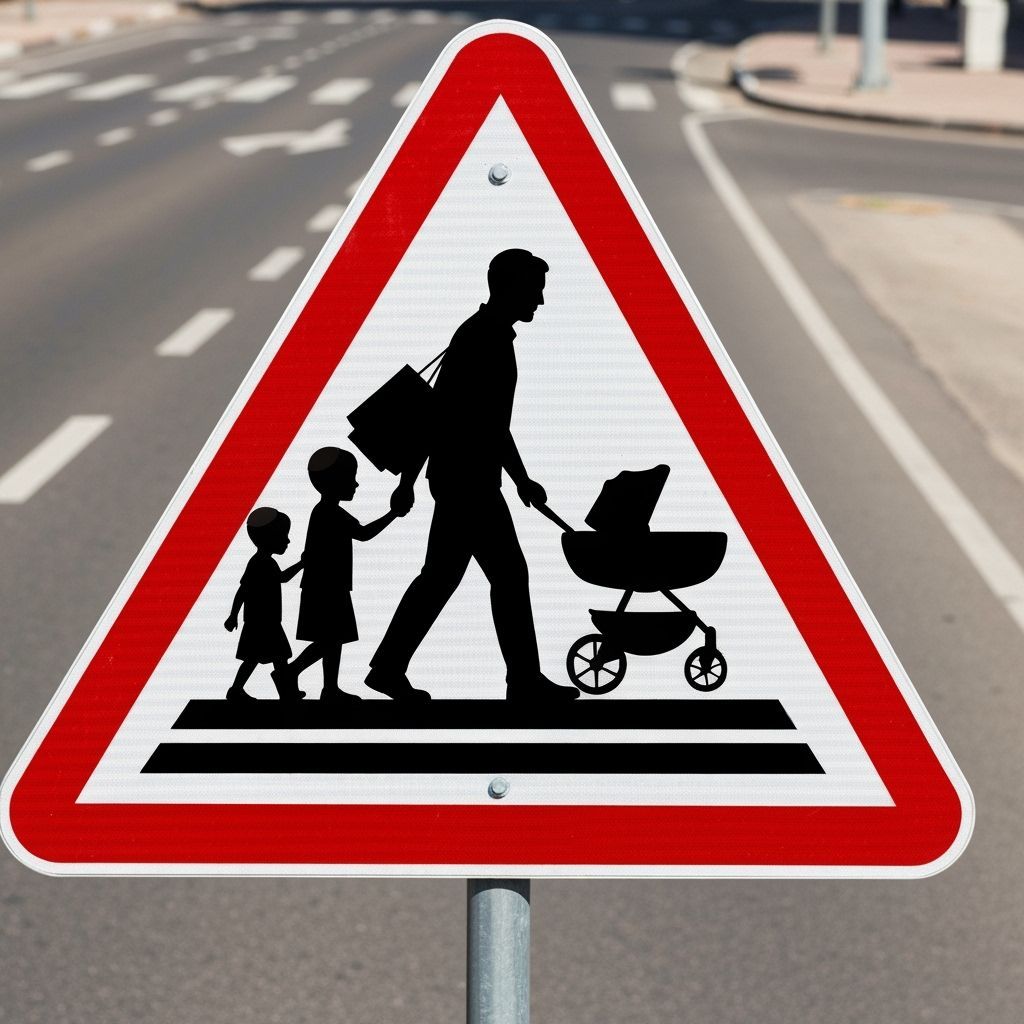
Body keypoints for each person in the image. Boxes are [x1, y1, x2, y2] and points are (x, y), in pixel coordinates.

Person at [365, 249, 580, 703]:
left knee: (441, 577)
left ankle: (388, 668)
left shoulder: (488, 334)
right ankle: (523, 681)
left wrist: (519, 479)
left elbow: (482, 422)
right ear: (508, 287)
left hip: (463, 477)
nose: (540, 300)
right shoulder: (482, 338)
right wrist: (407, 481)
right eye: (534, 289)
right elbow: (450, 417)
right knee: (508, 574)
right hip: (468, 481)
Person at [275, 447, 408, 703]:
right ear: (334, 481)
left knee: (333, 640)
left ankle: (328, 688)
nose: (356, 484)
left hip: (326, 584)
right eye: (351, 477)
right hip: (327, 586)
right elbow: (364, 534)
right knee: (331, 639)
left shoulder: (325, 511)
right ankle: (292, 673)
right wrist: (393, 514)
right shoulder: (330, 513)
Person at [224, 507, 304, 702]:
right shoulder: (261, 563)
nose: (287, 541)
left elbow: (246, 589)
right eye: (283, 536)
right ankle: (237, 690)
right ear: (269, 538)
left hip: (266, 621)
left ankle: (285, 693)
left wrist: (233, 615)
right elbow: (246, 589)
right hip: (262, 622)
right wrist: (302, 564)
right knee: (266, 657)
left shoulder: (263, 561)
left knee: (274, 657)